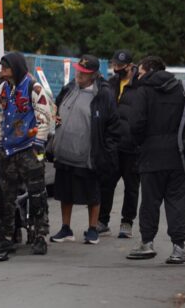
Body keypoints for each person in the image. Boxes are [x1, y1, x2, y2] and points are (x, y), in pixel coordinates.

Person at [125, 56, 185, 264]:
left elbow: (135, 123)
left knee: (149, 201)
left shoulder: (144, 92)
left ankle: (147, 243)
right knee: (177, 202)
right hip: (179, 155)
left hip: (150, 155)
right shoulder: (184, 88)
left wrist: (140, 145)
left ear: (150, 71)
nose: (139, 75)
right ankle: (178, 247)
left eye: (142, 72)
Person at [0, 52, 53, 260]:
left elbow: (44, 116)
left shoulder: (34, 88)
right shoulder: (3, 89)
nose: (2, 71)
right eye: (2, 67)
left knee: (37, 194)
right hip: (8, 149)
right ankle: (6, 235)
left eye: (6, 67)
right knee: (6, 195)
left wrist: (39, 142)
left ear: (16, 67)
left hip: (29, 148)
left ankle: (40, 235)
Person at [47, 54, 120, 245]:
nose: (79, 74)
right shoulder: (69, 87)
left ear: (94, 75)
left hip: (88, 154)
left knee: (92, 194)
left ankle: (93, 229)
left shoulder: (103, 93)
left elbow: (112, 125)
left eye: (84, 73)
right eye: (78, 70)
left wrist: (106, 152)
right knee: (64, 193)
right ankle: (66, 228)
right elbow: (56, 108)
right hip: (64, 151)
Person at [99, 49, 141, 238]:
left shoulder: (140, 86)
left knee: (131, 187)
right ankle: (102, 220)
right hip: (113, 144)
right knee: (106, 183)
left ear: (130, 66)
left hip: (132, 146)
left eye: (119, 66)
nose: (115, 69)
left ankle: (127, 222)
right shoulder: (111, 84)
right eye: (114, 65)